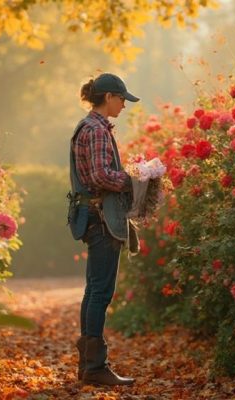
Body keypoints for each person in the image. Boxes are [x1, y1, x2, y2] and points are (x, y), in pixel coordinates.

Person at [69, 73, 139, 386]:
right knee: (101, 291)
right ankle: (95, 368)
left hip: (91, 216)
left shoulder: (88, 126)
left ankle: (88, 365)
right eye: (122, 99)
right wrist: (135, 181)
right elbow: (100, 176)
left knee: (93, 290)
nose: (124, 105)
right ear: (108, 97)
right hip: (101, 218)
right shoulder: (96, 130)